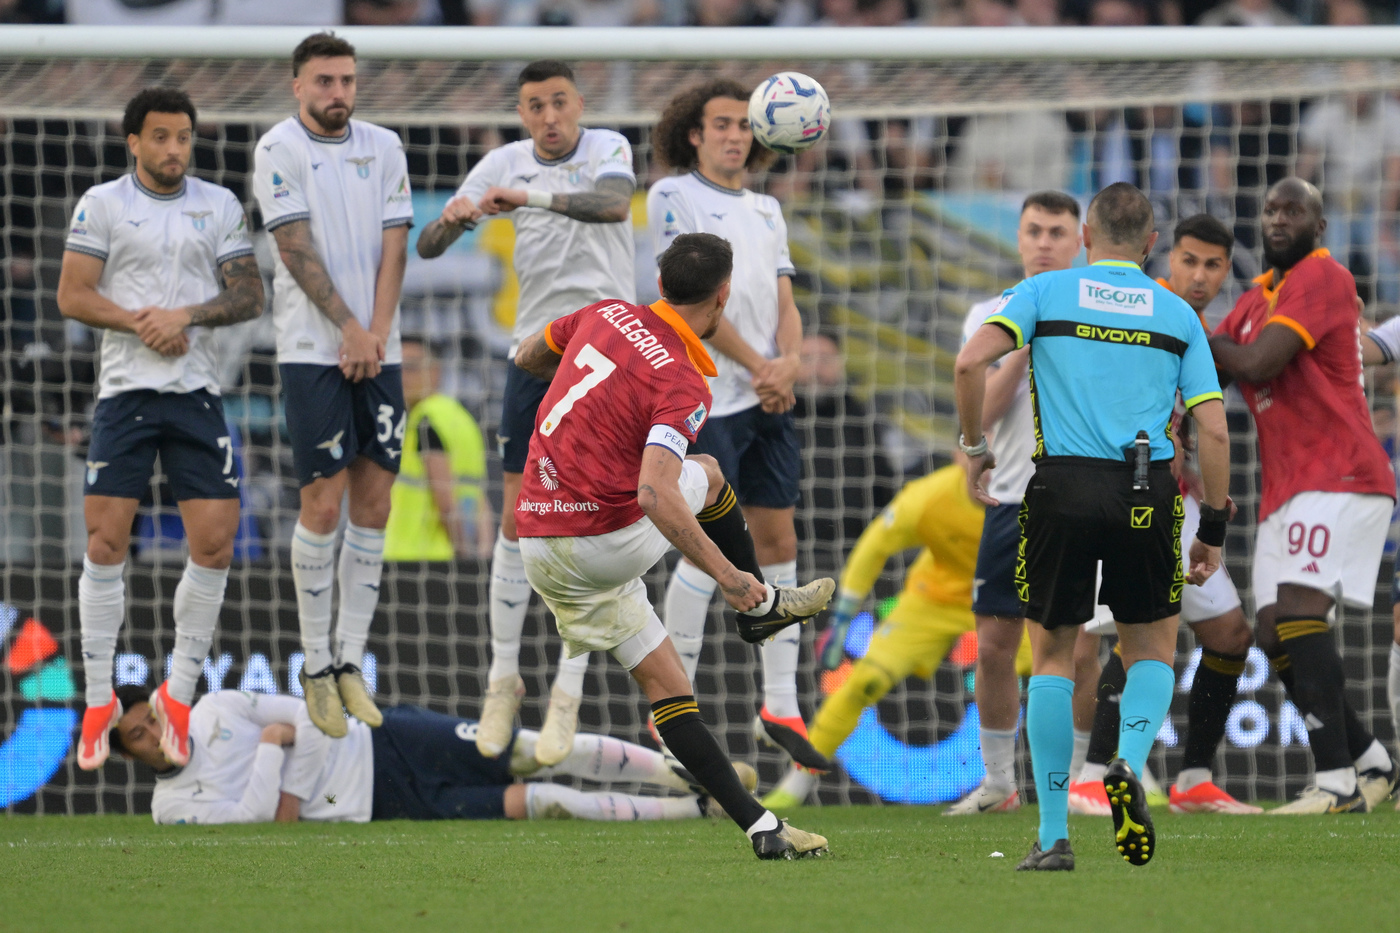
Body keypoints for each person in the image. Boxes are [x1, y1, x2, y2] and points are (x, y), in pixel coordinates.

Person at [512, 232, 833, 859]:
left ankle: (763, 830)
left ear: (660, 284)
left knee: (667, 682)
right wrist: (731, 579)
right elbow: (656, 494)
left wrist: (600, 396)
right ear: (723, 296)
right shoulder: (684, 382)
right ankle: (759, 602)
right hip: (598, 539)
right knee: (708, 473)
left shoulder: (602, 313)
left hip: (536, 537)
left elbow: (527, 355)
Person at [956, 182, 1232, 870]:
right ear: (1150, 245)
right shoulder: (1176, 311)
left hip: (1058, 489)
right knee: (1149, 650)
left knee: (1050, 657)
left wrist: (972, 446)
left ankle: (1053, 835)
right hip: (1147, 490)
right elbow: (1215, 429)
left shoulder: (1048, 291)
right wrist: (1215, 528)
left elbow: (967, 361)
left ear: (1084, 236)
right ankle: (1127, 764)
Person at [415, 60, 637, 767]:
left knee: (594, 515)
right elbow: (427, 246)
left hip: (604, 348)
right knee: (517, 519)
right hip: (534, 354)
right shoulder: (500, 163)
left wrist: (526, 197)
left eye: (560, 102)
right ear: (521, 112)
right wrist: (452, 221)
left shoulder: (607, 149)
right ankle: (502, 677)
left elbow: (612, 205)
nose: (549, 116)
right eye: (536, 105)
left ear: (580, 103)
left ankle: (569, 684)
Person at [58, 87, 264, 770]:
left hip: (197, 393)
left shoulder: (220, 205)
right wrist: (145, 319)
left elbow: (248, 295)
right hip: (124, 393)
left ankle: (176, 697)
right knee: (105, 538)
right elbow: (73, 293)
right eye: (162, 137)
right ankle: (97, 699)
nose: (174, 149)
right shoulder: (103, 204)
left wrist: (187, 317)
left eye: (183, 137)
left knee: (214, 543)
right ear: (134, 142)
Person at [648, 79, 826, 772]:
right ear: (694, 133)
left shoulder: (767, 208)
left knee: (777, 533)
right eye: (720, 124)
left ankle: (779, 702)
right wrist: (762, 367)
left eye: (742, 126)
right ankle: (672, 715)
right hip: (707, 393)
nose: (733, 136)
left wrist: (788, 361)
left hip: (765, 393)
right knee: (703, 550)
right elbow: (695, 300)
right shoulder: (673, 197)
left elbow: (784, 294)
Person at [1211, 178, 1399, 815]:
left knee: (1297, 610)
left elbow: (1258, 362)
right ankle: (1372, 760)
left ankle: (1337, 783)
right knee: (1271, 632)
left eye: (1293, 210)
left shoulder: (1323, 277)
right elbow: (1220, 363)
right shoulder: (1256, 297)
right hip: (1287, 486)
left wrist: (1202, 340)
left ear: (1319, 225)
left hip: (1339, 472)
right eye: (1269, 209)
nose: (1277, 218)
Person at [1070, 214, 1261, 816]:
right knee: (1143, 636)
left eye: (1212, 266)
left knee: (1228, 635)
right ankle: (1093, 775)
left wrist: (1206, 490)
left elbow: (1195, 427)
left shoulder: (1196, 329)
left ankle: (1194, 779)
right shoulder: (1142, 313)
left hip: (1174, 499)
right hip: (1129, 498)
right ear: (1164, 255)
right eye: (1189, 261)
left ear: (1225, 271)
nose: (1198, 275)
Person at [252, 32, 413, 738]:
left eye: (346, 80)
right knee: (323, 501)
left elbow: (395, 245)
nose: (337, 93)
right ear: (298, 86)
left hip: (380, 347)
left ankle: (351, 659)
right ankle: (315, 663)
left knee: (374, 499)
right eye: (323, 81)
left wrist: (374, 332)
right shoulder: (277, 149)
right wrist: (347, 327)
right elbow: (293, 246)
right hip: (313, 348)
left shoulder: (386, 145)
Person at [760, 462, 1033, 810]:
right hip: (933, 602)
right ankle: (795, 786)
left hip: (1010, 603)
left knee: (1050, 679)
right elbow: (874, 546)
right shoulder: (928, 498)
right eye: (981, 451)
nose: (991, 465)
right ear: (959, 452)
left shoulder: (1034, 497)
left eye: (1002, 454)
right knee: (863, 681)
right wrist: (841, 620)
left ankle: (1071, 781)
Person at [109, 685, 755, 825]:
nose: (153, 733)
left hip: (387, 734)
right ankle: (701, 811)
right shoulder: (172, 808)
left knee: (532, 751)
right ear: (128, 755)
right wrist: (278, 757)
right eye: (138, 736)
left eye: (151, 719)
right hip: (381, 801)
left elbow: (312, 716)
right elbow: (252, 820)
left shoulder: (220, 706)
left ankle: (687, 773)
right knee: (546, 802)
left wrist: (284, 787)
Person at [946, 190, 1087, 816]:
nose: (1044, 243)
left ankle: (1079, 781)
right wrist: (1029, 340)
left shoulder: (1097, 308)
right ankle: (1000, 784)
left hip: (1086, 497)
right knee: (996, 644)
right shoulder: (992, 312)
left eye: (1057, 231)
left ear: (1080, 239)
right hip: (1012, 497)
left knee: (1082, 645)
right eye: (1034, 230)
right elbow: (988, 406)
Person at [382, 335, 492, 561]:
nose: (402, 377)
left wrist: (462, 554)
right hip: (449, 558)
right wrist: (482, 554)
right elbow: (479, 498)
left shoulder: (426, 419)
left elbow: (445, 500)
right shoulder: (462, 419)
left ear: (435, 371)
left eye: (411, 368)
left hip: (414, 558)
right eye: (397, 368)